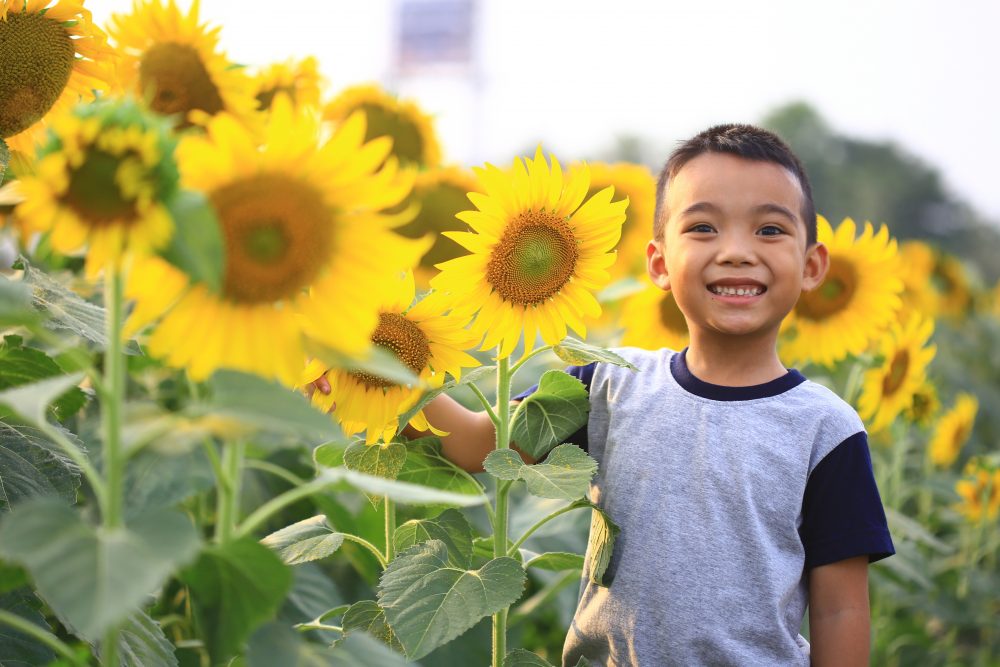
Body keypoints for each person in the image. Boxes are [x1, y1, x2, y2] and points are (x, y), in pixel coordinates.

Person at [316, 124, 895, 666]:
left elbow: (840, 607)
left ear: (812, 265)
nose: (736, 251)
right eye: (703, 228)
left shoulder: (825, 429)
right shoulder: (609, 384)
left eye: (769, 230)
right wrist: (365, 366)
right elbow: (475, 443)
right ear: (658, 263)